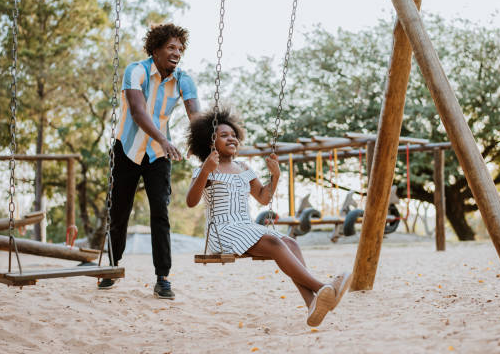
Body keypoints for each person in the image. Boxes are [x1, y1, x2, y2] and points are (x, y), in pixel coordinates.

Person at [186, 108, 351, 327]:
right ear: (210, 143)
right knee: (274, 242)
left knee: (290, 242)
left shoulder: (243, 167)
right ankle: (322, 287)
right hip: (223, 231)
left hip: (245, 227)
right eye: (224, 135)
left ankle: (313, 302)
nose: (231, 138)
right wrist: (207, 170)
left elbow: (264, 198)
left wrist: (275, 176)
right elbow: (191, 201)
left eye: (233, 134)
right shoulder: (206, 170)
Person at [98, 23, 201, 299]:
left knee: (161, 212)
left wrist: (199, 143)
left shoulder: (183, 79)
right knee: (119, 211)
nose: (176, 52)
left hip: (157, 155)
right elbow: (137, 111)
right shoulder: (136, 70)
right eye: (170, 47)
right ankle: (111, 266)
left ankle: (162, 277)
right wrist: (165, 139)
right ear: (155, 49)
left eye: (180, 48)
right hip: (127, 149)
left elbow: (196, 117)